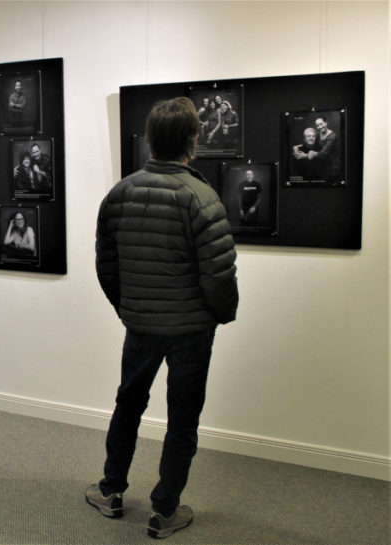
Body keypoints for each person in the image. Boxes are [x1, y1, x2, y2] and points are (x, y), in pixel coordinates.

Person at [87, 97, 238, 540]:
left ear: (151, 139)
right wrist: (221, 314)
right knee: (183, 420)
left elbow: (106, 265)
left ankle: (111, 490)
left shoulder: (120, 193)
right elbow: (219, 273)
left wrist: (128, 307)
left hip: (140, 326)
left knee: (128, 406)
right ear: (193, 139)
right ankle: (164, 511)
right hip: (191, 331)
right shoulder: (201, 197)